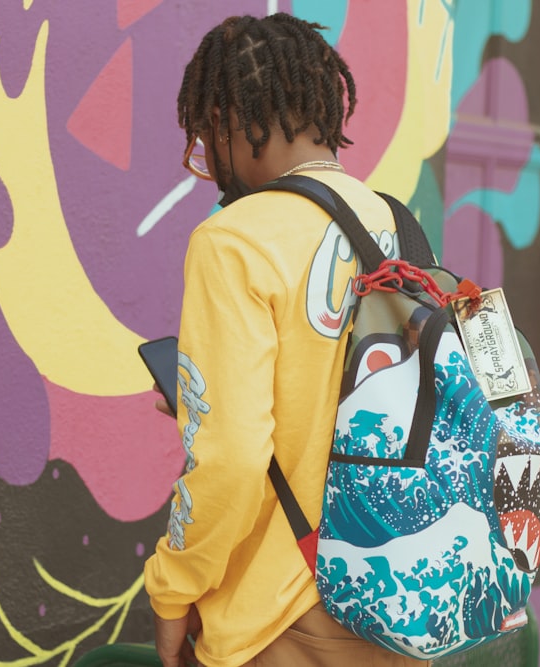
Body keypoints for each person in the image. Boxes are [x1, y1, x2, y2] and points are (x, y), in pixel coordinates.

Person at [143, 13, 431, 667]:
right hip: (402, 604)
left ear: (228, 120)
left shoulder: (234, 239)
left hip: (285, 617)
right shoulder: (396, 224)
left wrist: (172, 586)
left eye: (203, 140)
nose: (209, 163)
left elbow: (236, 456)